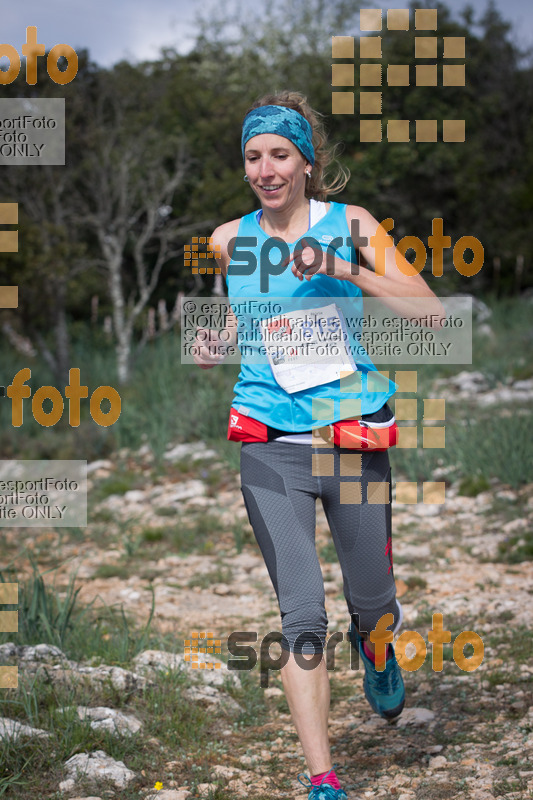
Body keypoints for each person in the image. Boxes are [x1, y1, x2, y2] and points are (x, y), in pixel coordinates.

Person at [194, 91, 444, 800]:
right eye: (252, 156)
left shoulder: (352, 224)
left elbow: (427, 314)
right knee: (301, 613)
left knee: (373, 601)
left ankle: (378, 647)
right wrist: (216, 343)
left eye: (278, 154)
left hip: (352, 438)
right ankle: (323, 780)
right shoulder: (226, 239)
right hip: (268, 444)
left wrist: (345, 270)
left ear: (306, 161)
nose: (265, 169)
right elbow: (245, 321)